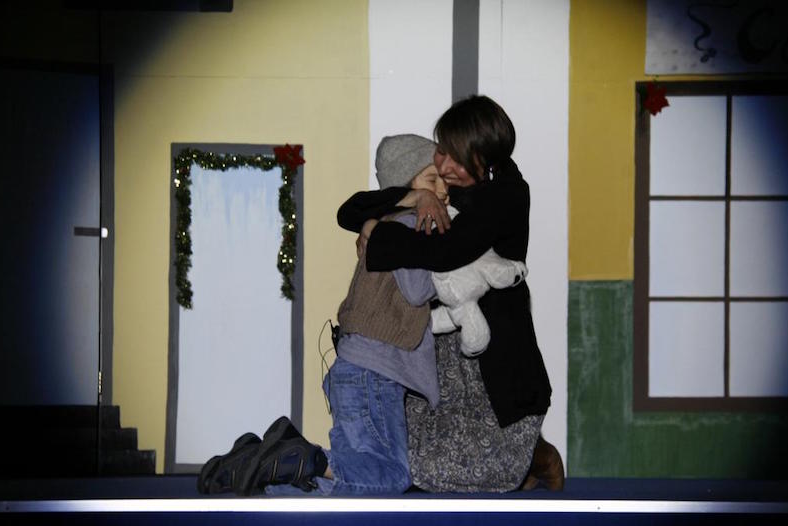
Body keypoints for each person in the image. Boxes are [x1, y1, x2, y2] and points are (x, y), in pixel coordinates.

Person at [340, 95, 564, 492]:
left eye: (455, 159)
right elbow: (349, 211)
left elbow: (446, 251)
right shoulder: (452, 183)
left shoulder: (507, 194)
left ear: (484, 160)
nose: (443, 167)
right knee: (402, 459)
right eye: (441, 151)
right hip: (438, 348)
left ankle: (536, 455)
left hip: (493, 355)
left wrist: (379, 230)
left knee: (443, 471)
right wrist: (415, 197)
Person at [198, 134, 441, 496]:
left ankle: (252, 468)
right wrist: (447, 259)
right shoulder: (410, 227)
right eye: (432, 180)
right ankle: (300, 456)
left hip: (352, 369)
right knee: (392, 476)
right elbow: (419, 288)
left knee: (348, 477)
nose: (443, 190)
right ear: (406, 185)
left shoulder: (384, 226)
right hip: (375, 374)